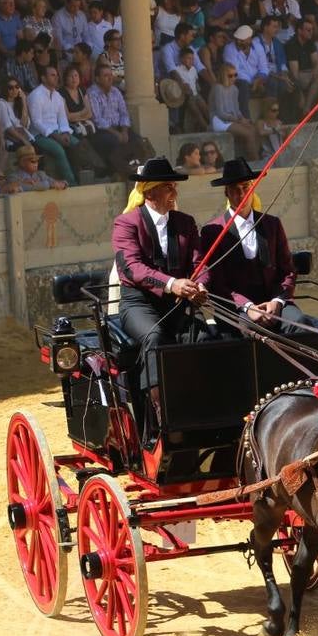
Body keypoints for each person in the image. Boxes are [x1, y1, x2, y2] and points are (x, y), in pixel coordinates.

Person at [113, 156, 207, 437]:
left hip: (178, 305)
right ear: (150, 193)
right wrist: (171, 284)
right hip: (138, 305)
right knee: (154, 336)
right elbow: (132, 268)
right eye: (169, 187)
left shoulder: (186, 223)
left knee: (202, 335)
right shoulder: (126, 224)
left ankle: (198, 402)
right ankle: (158, 413)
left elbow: (200, 262)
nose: (174, 193)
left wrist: (200, 285)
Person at [203, 157, 318, 335]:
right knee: (250, 329)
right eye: (234, 190)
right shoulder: (213, 231)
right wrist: (248, 307)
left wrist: (277, 301)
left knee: (299, 323)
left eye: (245, 188)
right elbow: (218, 283)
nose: (241, 195)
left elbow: (288, 270)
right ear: (226, 193)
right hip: (237, 308)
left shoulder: (272, 224)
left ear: (253, 189)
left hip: (275, 302)